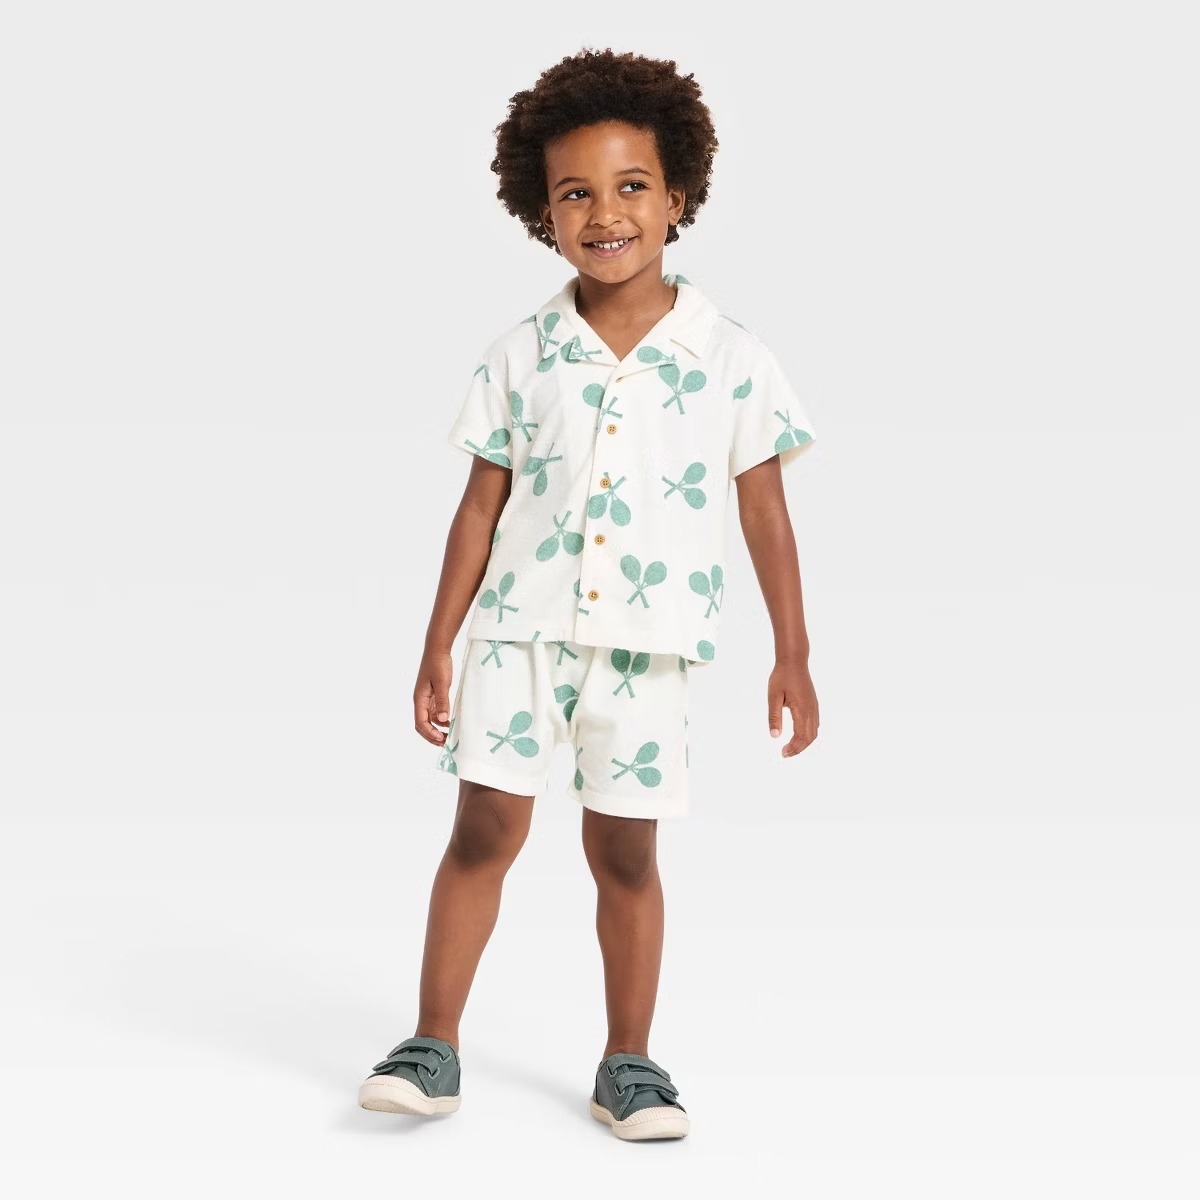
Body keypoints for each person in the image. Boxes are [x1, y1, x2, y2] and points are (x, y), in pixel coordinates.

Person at [358, 47, 819, 1142]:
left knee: (627, 855)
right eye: (575, 193)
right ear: (543, 212)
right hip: (517, 635)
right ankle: (432, 1044)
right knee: (483, 832)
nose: (605, 214)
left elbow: (766, 514)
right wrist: (438, 642)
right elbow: (478, 509)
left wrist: (792, 652)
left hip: (650, 644)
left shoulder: (733, 359)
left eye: (631, 186)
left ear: (678, 197)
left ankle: (629, 1062)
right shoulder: (521, 356)